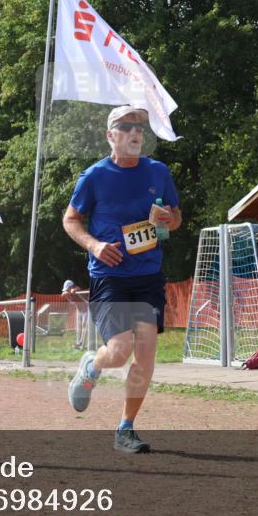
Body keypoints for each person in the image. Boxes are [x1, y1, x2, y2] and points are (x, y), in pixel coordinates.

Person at [62, 105, 181, 454]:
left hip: (148, 276)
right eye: (127, 127)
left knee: (145, 354)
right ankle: (91, 365)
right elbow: (71, 220)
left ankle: (125, 428)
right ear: (111, 135)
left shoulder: (158, 172)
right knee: (119, 351)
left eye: (140, 128)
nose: (135, 133)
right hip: (110, 275)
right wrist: (95, 245)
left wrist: (167, 221)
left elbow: (175, 218)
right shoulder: (94, 176)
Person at [62, 279, 89, 349]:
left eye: (67, 288)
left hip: (86, 309)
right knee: (79, 327)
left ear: (71, 286)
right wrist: (67, 295)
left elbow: (76, 289)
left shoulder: (76, 289)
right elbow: (71, 301)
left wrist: (73, 291)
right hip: (80, 310)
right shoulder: (69, 292)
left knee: (84, 326)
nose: (66, 290)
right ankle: (79, 342)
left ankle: (82, 344)